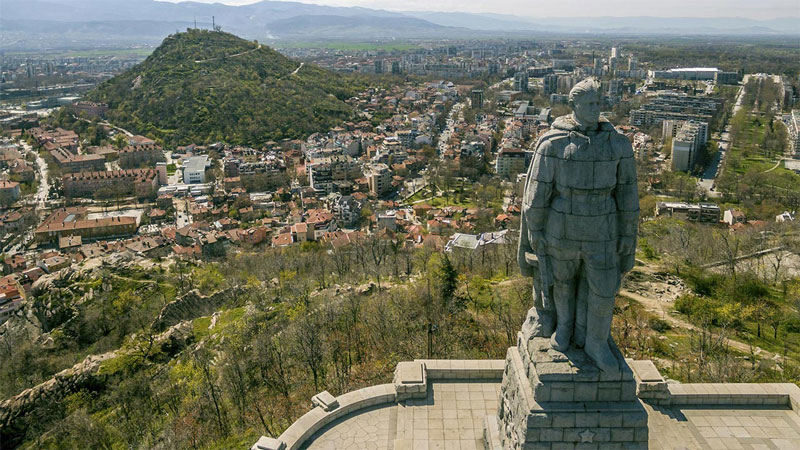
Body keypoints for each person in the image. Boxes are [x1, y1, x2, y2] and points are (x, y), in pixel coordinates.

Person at [518, 78, 638, 372]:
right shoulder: (554, 144)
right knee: (562, 283)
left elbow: (627, 193)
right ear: (573, 106)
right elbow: (536, 194)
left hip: (603, 227)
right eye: (588, 104)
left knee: (603, 288)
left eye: (598, 103)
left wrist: (627, 233)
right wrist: (535, 231)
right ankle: (564, 331)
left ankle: (595, 342)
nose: (595, 109)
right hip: (562, 227)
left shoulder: (618, 145)